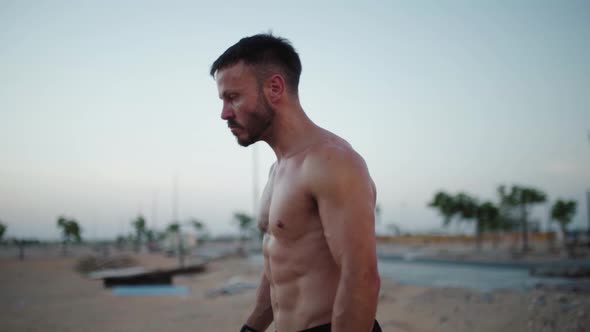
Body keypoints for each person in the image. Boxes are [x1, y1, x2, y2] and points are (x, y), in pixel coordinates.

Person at [210, 34, 381, 332]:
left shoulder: (332, 162)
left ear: (274, 88)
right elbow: (279, 264)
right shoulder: (279, 170)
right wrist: (251, 328)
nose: (224, 113)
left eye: (233, 97)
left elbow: (361, 278)